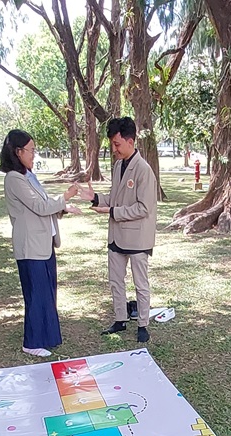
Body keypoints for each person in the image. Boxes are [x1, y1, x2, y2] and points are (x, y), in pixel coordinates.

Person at [0, 129, 80, 358]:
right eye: (31, 150)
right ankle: (31, 341)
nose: (34, 154)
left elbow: (44, 205)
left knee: (47, 292)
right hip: (30, 246)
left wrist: (64, 208)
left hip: (43, 243)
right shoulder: (14, 179)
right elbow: (40, 207)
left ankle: (47, 336)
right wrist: (66, 196)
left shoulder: (28, 176)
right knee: (37, 294)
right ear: (18, 152)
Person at [79, 117, 158, 343]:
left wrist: (113, 212)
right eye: (112, 144)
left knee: (140, 283)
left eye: (117, 144)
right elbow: (114, 198)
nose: (114, 149)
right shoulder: (117, 166)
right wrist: (94, 198)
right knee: (115, 280)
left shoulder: (144, 170)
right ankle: (120, 318)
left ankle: (143, 323)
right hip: (116, 235)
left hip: (137, 237)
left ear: (130, 141)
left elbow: (143, 208)